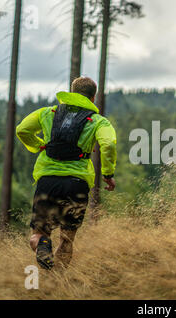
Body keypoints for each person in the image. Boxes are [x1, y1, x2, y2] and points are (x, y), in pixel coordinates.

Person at [16, 77, 117, 270]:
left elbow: (22, 130)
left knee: (37, 235)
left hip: (48, 182)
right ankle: (57, 284)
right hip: (77, 184)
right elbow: (108, 144)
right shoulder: (98, 121)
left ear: (71, 91)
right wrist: (108, 173)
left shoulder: (48, 113)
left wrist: (40, 146)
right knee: (67, 240)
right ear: (93, 97)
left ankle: (43, 246)